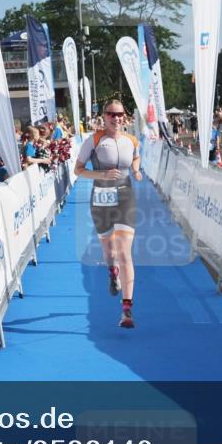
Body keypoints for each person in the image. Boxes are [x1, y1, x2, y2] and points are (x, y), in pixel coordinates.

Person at [74, 99, 142, 328]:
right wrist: (101, 175)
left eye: (120, 114)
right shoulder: (94, 140)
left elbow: (136, 156)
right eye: (112, 114)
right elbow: (78, 169)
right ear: (104, 116)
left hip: (125, 196)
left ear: (125, 116)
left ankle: (127, 310)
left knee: (124, 252)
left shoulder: (131, 140)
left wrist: (135, 170)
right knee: (109, 250)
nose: (116, 118)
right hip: (101, 197)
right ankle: (113, 272)